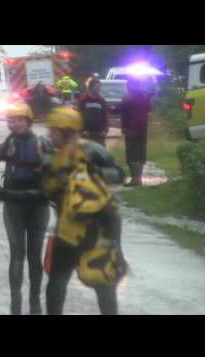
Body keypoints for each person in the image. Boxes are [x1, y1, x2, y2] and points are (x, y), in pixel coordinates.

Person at [42, 106, 127, 315]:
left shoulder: (92, 150)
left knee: (103, 283)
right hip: (66, 230)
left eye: (53, 131)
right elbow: (49, 190)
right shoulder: (58, 156)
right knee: (55, 283)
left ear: (67, 131)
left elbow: (119, 174)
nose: (49, 135)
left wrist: (94, 173)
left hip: (95, 231)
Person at [0, 102, 52, 315]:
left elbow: (56, 175)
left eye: (20, 119)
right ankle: (15, 304)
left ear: (29, 121)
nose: (15, 123)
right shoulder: (7, 145)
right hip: (13, 205)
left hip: (38, 206)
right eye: (12, 119)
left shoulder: (43, 143)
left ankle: (34, 301)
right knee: (17, 254)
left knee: (34, 254)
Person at [113, 77, 152, 187]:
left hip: (130, 129)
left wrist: (111, 109)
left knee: (131, 155)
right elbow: (149, 110)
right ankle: (138, 178)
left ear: (130, 85)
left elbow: (121, 109)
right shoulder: (145, 96)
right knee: (140, 154)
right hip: (142, 130)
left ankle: (135, 179)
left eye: (128, 84)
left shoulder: (128, 98)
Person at [79, 76, 110, 146]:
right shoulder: (83, 100)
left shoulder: (102, 101)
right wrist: (81, 130)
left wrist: (105, 130)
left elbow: (106, 117)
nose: (99, 89)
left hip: (99, 135)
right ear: (91, 87)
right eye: (97, 87)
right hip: (86, 134)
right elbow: (79, 116)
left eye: (99, 87)